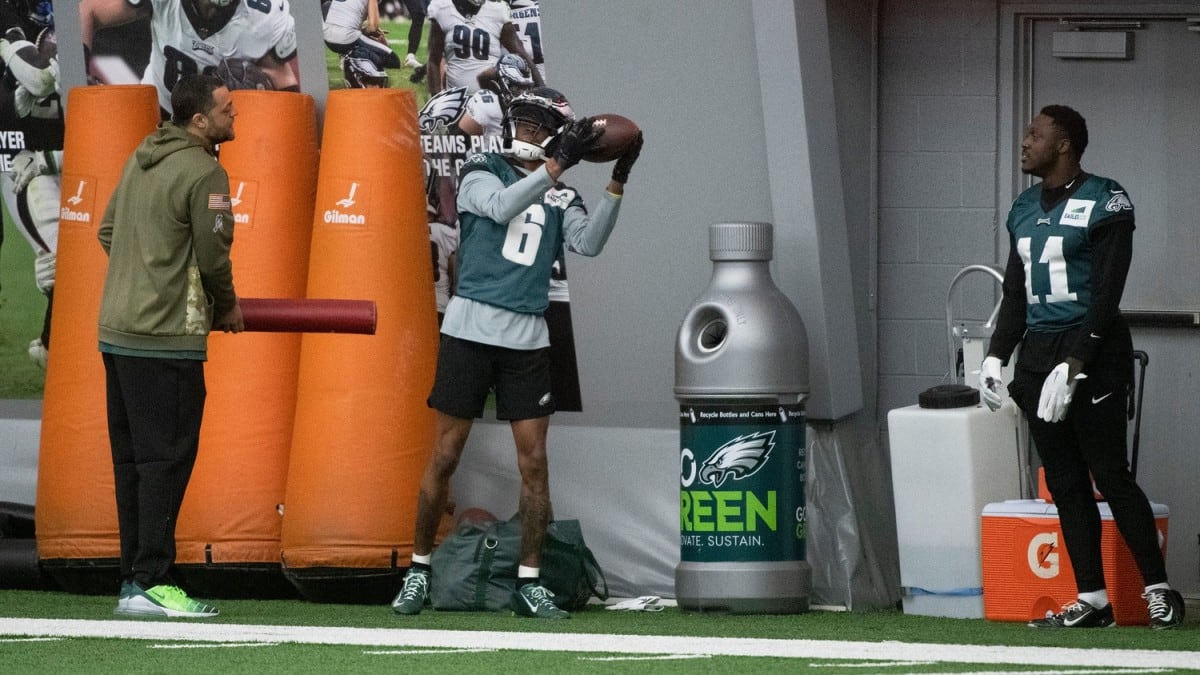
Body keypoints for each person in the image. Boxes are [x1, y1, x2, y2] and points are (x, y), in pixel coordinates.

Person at [391, 87, 643, 619]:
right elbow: (502, 206)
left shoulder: (562, 192)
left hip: (527, 335)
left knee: (535, 464)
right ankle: (417, 570)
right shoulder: (482, 165)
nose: (527, 128)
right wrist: (556, 167)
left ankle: (529, 581)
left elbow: (588, 243)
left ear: (554, 131)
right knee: (446, 453)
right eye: (522, 119)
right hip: (471, 327)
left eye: (538, 123)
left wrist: (617, 180)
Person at [979, 105, 1184, 630]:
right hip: (1038, 353)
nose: (1024, 142)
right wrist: (996, 355)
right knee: (1065, 482)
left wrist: (1077, 361)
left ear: (1064, 144)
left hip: (1091, 350)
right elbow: (1016, 292)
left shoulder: (1105, 199)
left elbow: (1109, 291)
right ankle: (1092, 597)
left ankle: (1159, 590)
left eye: (1035, 133)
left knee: (1110, 474)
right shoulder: (1023, 207)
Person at [98, 74, 244, 618]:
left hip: (115, 334)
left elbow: (108, 231)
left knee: (133, 462)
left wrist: (143, 275)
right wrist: (224, 304)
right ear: (199, 121)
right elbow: (212, 259)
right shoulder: (205, 170)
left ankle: (134, 580)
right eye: (227, 111)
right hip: (164, 340)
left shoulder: (141, 157)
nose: (236, 118)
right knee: (166, 462)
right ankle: (154, 581)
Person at [81, 0, 299, 117]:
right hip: (160, 113)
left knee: (221, 197)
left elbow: (282, 78)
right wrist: (79, 68)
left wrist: (262, 107)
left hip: (224, 127)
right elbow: (87, 11)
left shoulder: (264, 16)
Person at [0, 0, 61, 368]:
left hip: (58, 153)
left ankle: (53, 347)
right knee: (58, 256)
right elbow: (36, 81)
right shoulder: (8, 14)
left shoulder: (75, 18)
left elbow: (39, 80)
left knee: (76, 256)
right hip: (18, 154)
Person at [424, 0, 541, 95]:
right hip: (456, 98)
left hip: (492, 97)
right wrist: (436, 98)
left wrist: (542, 88)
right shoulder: (442, 9)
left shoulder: (497, 10)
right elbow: (434, 59)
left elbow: (520, 53)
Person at [322, 0, 401, 89]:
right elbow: (373, 27)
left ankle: (349, 56)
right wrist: (367, 32)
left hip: (328, 38)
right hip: (346, 38)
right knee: (393, 60)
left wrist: (364, 32)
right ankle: (352, 60)